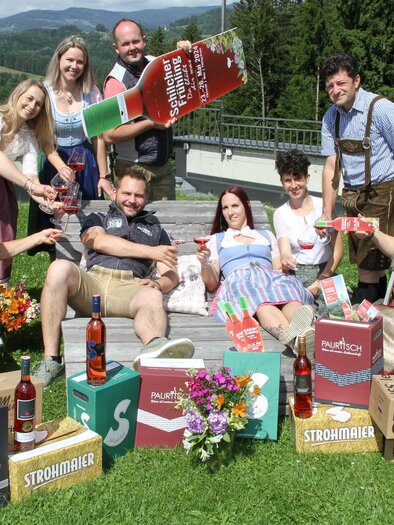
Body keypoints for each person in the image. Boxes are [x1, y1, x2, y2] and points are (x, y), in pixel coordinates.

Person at [35, 165, 195, 387]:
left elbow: (171, 273)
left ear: (146, 198)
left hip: (129, 288)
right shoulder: (98, 218)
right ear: (115, 193)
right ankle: (51, 360)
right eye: (127, 193)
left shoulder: (156, 231)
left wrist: (159, 283)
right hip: (93, 284)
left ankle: (155, 350)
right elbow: (98, 242)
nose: (132, 200)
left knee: (152, 296)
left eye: (138, 195)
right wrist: (150, 251)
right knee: (58, 268)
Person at [196, 185, 316, 357]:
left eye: (235, 205)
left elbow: (278, 268)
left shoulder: (266, 235)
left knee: (291, 299)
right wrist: (204, 263)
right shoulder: (217, 239)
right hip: (241, 281)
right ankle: (296, 343)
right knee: (262, 304)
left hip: (271, 279)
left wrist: (286, 265)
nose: (230, 212)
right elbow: (211, 282)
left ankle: (305, 337)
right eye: (225, 208)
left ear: (246, 205)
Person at [319, 53, 394, 304]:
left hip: (382, 192)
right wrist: (326, 213)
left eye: (341, 83)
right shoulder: (331, 117)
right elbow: (331, 166)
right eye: (330, 85)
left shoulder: (380, 108)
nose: (335, 90)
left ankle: (362, 324)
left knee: (367, 265)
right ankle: (381, 319)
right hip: (352, 195)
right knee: (369, 262)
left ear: (356, 81)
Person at [28, 35, 112, 253]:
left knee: (87, 219)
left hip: (85, 162)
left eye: (80, 62)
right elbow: (44, 137)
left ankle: (86, 266)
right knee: (55, 221)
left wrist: (103, 176)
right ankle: (57, 266)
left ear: (85, 65)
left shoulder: (91, 93)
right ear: (59, 60)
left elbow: (98, 137)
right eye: (69, 60)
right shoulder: (45, 92)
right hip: (54, 160)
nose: (74, 66)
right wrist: (60, 166)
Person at [103, 18, 191, 201]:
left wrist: (184, 52)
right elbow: (109, 135)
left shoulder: (154, 63)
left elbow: (182, 81)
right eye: (125, 44)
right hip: (132, 169)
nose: (132, 47)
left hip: (163, 166)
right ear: (116, 48)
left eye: (135, 41)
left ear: (144, 40)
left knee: (166, 225)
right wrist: (151, 123)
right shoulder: (116, 83)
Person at [0, 79, 63, 283]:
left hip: (4, 186)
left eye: (38, 104)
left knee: (5, 233)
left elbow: (31, 175)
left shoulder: (28, 136)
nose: (32, 106)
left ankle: (2, 290)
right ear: (18, 95)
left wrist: (47, 201)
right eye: (29, 99)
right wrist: (31, 186)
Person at [273, 149, 343, 314]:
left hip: (325, 271)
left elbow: (338, 251)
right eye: (288, 180)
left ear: (307, 178)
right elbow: (285, 251)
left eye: (298, 178)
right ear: (282, 182)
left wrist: (322, 279)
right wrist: (285, 259)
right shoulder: (280, 214)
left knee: (338, 316)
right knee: (303, 315)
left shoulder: (325, 208)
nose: (294, 185)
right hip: (297, 275)